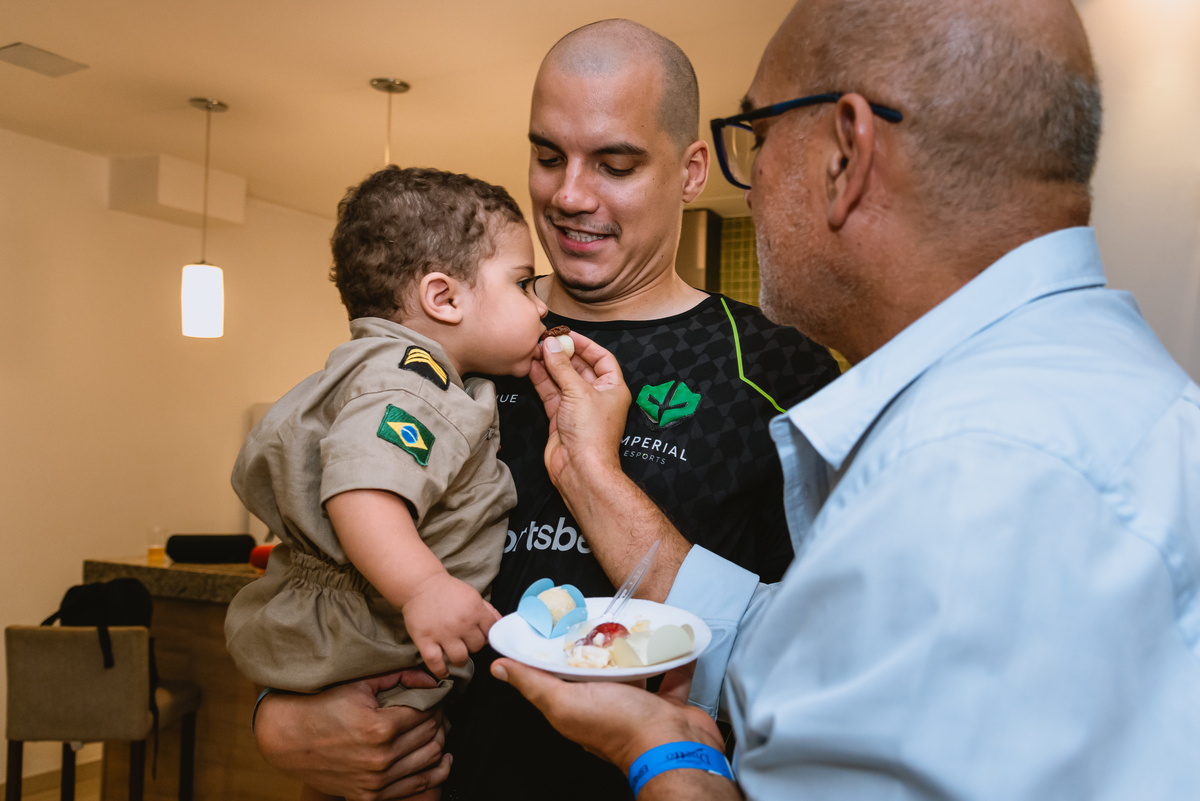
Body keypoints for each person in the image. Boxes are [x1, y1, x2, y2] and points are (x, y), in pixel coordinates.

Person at [491, 0, 1200, 798]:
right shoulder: (1056, 406)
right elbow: (805, 643)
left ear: (847, 151)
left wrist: (667, 758)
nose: (751, 184)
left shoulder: (979, 476)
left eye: (756, 137)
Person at [252, 19, 840, 801]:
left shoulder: (774, 367)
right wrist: (280, 716)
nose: (568, 195)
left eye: (616, 164)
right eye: (547, 155)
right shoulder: (445, 342)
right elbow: (320, 554)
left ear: (693, 170)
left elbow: (818, 661)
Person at [225, 166, 548, 800]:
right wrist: (425, 586)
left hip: (358, 630)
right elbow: (362, 489)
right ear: (444, 297)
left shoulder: (392, 370)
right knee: (408, 768)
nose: (541, 304)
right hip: (372, 637)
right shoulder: (414, 383)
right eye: (523, 284)